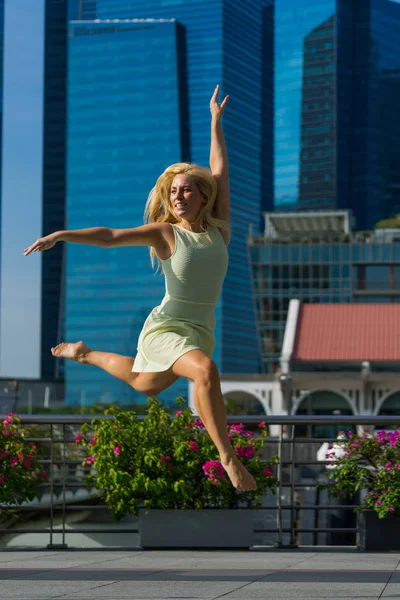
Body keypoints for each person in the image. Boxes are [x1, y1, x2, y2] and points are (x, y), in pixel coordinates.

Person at [24, 86, 257, 492]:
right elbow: (112, 236)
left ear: (204, 196)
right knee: (204, 370)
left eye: (186, 190)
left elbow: (219, 170)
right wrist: (62, 235)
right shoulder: (165, 233)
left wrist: (215, 121)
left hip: (201, 326)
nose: (178, 196)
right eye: (172, 192)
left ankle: (85, 353)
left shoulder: (219, 227)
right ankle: (227, 457)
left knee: (143, 383)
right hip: (169, 325)